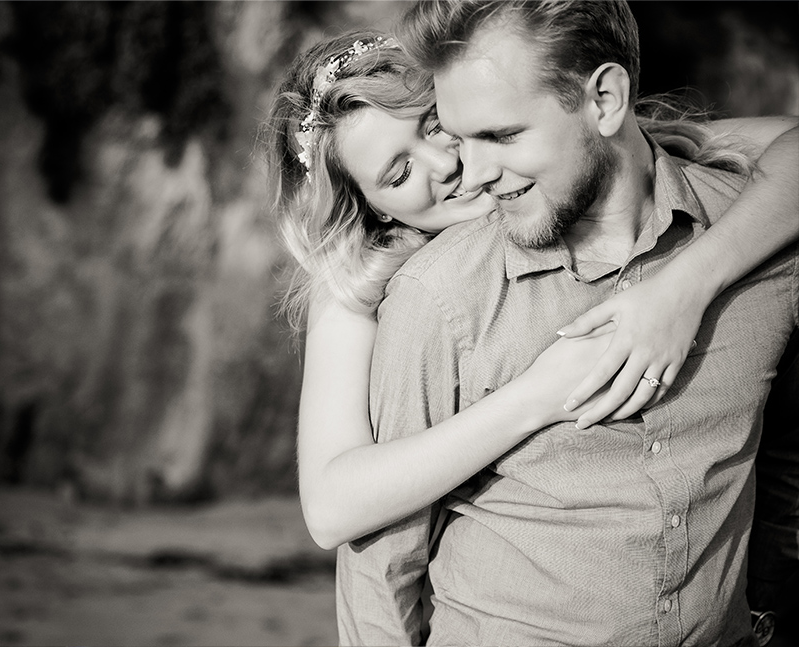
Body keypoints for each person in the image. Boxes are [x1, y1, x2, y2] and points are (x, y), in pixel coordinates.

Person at [326, 2, 798, 645]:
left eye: (498, 135)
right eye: (460, 137)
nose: (471, 172)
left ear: (605, 99)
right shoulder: (431, 297)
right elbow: (378, 563)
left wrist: (687, 286)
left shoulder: (760, 241)